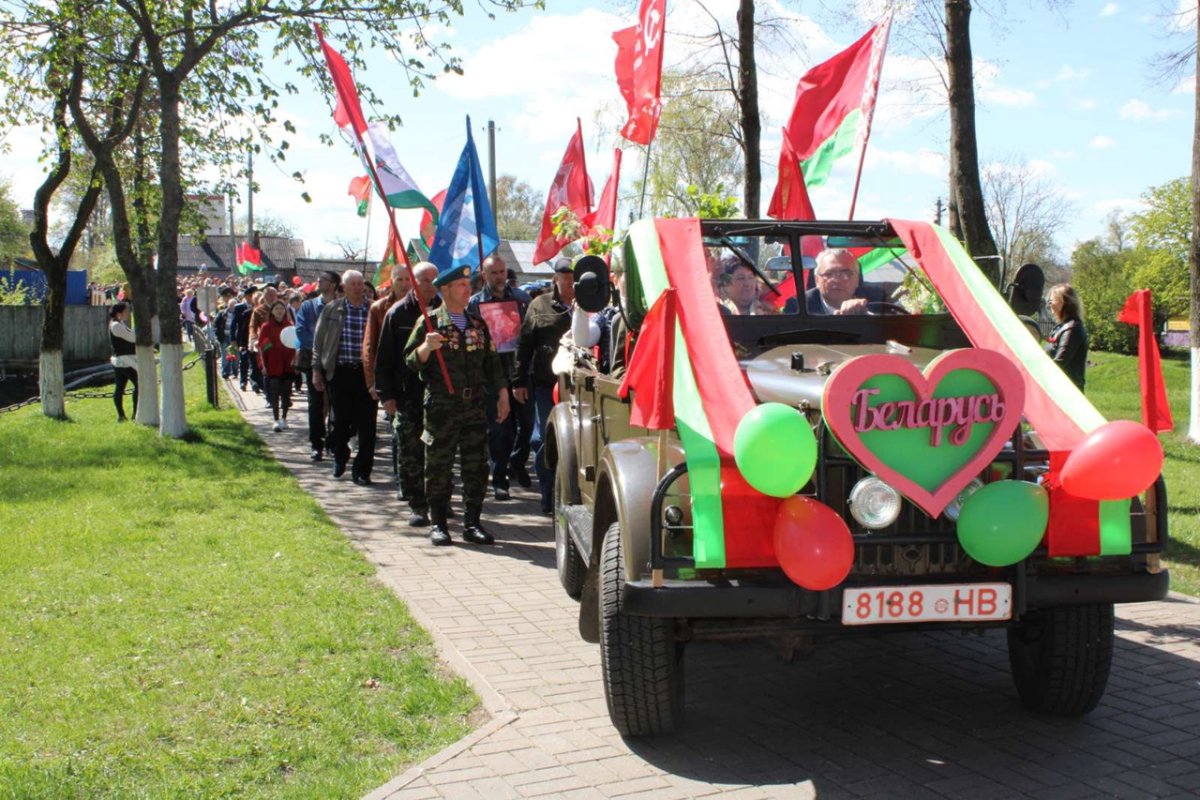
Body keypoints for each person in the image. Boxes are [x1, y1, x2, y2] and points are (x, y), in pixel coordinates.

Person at [406, 266, 510, 546]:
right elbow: (411, 361)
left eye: (468, 284)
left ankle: (472, 523)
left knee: (476, 466)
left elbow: (493, 364)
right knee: (438, 466)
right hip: (442, 406)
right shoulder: (429, 323)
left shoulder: (477, 324)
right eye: (462, 285)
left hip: (474, 404)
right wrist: (427, 348)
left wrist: (502, 394)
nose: (468, 290)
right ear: (446, 290)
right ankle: (439, 523)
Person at [376, 262, 441, 524]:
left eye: (434, 280)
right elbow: (384, 358)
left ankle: (438, 500)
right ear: (413, 283)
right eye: (424, 280)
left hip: (437, 393)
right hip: (407, 393)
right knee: (411, 451)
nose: (430, 285)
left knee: (437, 450)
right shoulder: (398, 313)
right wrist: (386, 395)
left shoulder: (445, 310)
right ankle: (417, 504)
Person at [468, 254, 533, 501]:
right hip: (492, 377)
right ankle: (500, 478)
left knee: (527, 426)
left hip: (521, 373)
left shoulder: (522, 299)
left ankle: (517, 461)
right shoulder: (475, 304)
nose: (499, 277)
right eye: (493, 273)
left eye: (502, 272)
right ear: (484, 276)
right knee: (499, 430)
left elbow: (530, 336)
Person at [514, 257, 574, 514]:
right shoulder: (539, 305)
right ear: (556, 279)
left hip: (578, 387)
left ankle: (568, 493)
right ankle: (548, 494)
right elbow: (525, 343)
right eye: (566, 278)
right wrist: (518, 381)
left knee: (573, 441)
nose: (571, 283)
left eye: (574, 278)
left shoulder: (591, 304)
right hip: (545, 385)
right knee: (542, 440)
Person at [313, 269, 378, 486]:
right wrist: (317, 370)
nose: (359, 288)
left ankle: (362, 471)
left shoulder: (374, 310)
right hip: (340, 373)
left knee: (368, 425)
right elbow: (319, 343)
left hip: (367, 374)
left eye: (361, 284)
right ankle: (340, 457)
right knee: (340, 421)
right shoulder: (332, 310)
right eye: (354, 284)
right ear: (344, 287)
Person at [295, 271, 339, 461]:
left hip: (337, 361)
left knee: (337, 404)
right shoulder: (308, 306)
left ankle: (334, 441)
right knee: (316, 404)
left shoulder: (341, 306)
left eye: (323, 280)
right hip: (314, 362)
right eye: (318, 279)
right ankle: (316, 444)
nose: (318, 282)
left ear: (334, 284)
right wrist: (320, 346)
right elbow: (301, 331)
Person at [802, 248, 884, 315]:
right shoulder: (800, 305)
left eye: (846, 274)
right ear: (817, 280)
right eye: (829, 274)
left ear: (857, 279)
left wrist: (865, 315)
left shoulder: (877, 301)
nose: (837, 280)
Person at [258, 300, 297, 431]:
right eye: (277, 309)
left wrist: (296, 361)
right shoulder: (266, 327)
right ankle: (275, 419)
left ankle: (284, 418)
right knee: (274, 391)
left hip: (288, 364)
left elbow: (296, 345)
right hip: (273, 364)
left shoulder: (290, 326)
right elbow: (262, 347)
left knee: (286, 392)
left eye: (282, 309)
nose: (279, 311)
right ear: (272, 312)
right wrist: (263, 365)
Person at [1047, 283, 1089, 391]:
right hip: (1059, 389)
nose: (1050, 304)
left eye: (1052, 300)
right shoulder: (1062, 327)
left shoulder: (1072, 328)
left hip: (1067, 392)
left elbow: (1060, 361)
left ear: (1063, 302)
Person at [109, 302, 138, 422]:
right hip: (124, 361)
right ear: (119, 313)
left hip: (124, 360)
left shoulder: (120, 324)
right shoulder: (116, 325)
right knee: (138, 385)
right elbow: (132, 338)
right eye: (126, 311)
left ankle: (123, 415)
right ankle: (131, 414)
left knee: (120, 387)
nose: (128, 313)